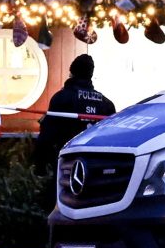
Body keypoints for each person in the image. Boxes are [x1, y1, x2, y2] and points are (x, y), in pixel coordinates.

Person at [33, 54, 117, 190]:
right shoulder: (106, 104)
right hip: (98, 168)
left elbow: (47, 136)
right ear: (91, 75)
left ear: (71, 73)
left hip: (66, 165)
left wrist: (40, 167)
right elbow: (113, 139)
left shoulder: (61, 98)